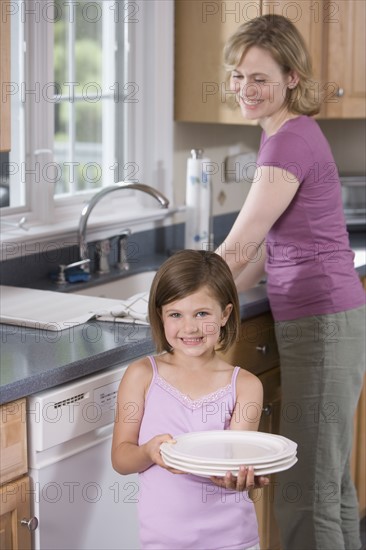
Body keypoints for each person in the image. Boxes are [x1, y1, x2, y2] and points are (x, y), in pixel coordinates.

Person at [216, 13, 366, 550]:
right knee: (330, 488)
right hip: (328, 319)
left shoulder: (286, 143)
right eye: (237, 75)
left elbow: (238, 247)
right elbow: (265, 249)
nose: (244, 88)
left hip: (322, 325)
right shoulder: (288, 134)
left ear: (292, 78)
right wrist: (209, 293)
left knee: (305, 492)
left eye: (259, 77)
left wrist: (173, 295)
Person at [111, 249, 269, 550]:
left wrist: (240, 478)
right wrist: (148, 452)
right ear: (161, 315)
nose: (190, 328)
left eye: (202, 313)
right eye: (175, 314)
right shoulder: (142, 375)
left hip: (232, 539)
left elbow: (237, 464)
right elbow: (121, 458)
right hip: (163, 541)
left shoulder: (246, 386)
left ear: (225, 314)